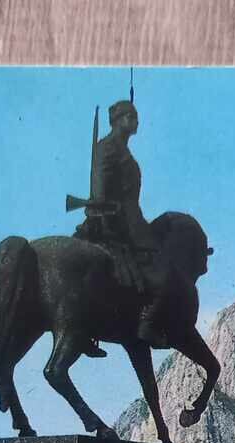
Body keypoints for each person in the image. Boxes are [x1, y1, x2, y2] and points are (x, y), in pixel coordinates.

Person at [75, 100, 169, 350]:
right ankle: (146, 324)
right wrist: (106, 213)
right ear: (119, 120)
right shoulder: (108, 148)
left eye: (136, 117)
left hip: (130, 217)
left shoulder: (120, 149)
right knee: (161, 272)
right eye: (132, 117)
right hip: (118, 220)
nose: (136, 122)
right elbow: (101, 188)